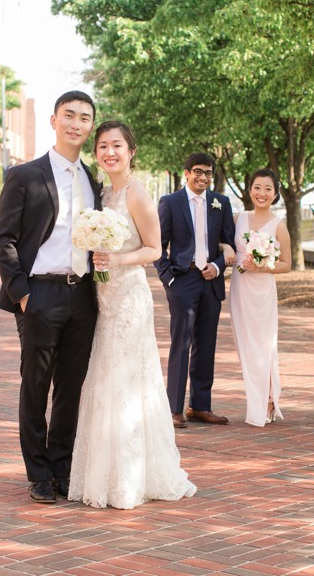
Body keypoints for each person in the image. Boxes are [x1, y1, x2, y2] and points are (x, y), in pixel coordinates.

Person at [68, 121, 196, 509]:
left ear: (131, 151)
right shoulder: (100, 193)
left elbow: (156, 249)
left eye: (117, 145)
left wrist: (118, 257)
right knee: (103, 377)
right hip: (102, 297)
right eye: (103, 146)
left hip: (128, 297)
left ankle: (130, 476)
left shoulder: (137, 194)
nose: (110, 152)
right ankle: (102, 473)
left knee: (126, 381)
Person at [0, 90, 102, 504]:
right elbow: (3, 240)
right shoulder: (25, 175)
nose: (76, 123)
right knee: (35, 386)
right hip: (39, 294)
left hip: (83, 296)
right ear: (54, 121)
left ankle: (62, 468)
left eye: (84, 118)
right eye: (69, 115)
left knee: (71, 389)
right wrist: (22, 294)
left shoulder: (93, 180)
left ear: (91, 126)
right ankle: (37, 472)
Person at [157, 153, 236, 429]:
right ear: (187, 173)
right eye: (199, 172)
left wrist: (217, 265)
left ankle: (200, 406)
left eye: (209, 173)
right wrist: (169, 280)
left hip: (211, 281)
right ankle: (174, 409)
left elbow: (228, 243)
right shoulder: (170, 202)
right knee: (181, 344)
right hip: (183, 281)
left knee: (207, 344)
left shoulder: (221, 203)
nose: (204, 177)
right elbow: (158, 246)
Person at [229, 169, 291, 427]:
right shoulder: (237, 218)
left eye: (267, 189)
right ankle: (256, 398)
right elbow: (224, 245)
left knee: (264, 346)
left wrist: (263, 267)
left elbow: (286, 264)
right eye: (257, 187)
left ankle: (267, 400)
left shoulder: (279, 225)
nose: (261, 193)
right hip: (240, 288)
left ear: (275, 193)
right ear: (249, 190)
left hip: (262, 291)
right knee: (245, 346)